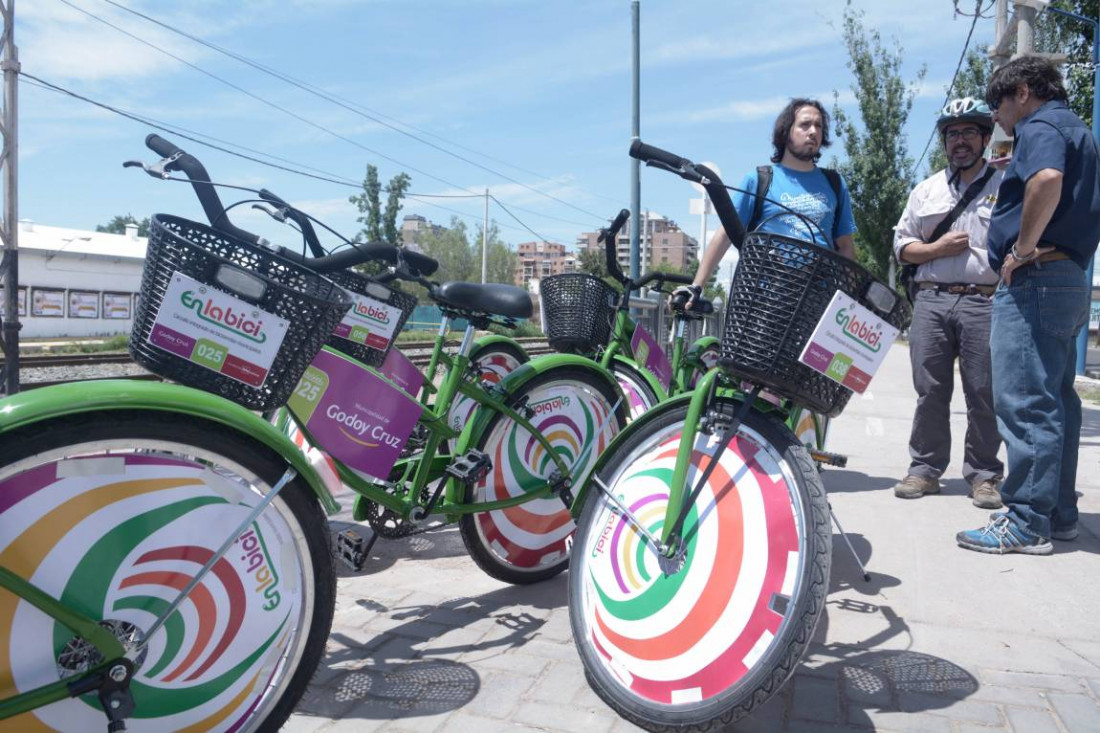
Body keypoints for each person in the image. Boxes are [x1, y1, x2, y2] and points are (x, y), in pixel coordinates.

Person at [956, 56, 1100, 555]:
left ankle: (1025, 520)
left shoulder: (1040, 124)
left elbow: (1045, 180)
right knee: (1058, 400)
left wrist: (1019, 250)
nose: (995, 115)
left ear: (1021, 91)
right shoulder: (1079, 128)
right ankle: (1058, 512)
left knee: (1025, 401)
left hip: (1036, 278)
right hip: (1068, 274)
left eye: (997, 104)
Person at [891, 98, 1004, 509]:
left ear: (985, 139)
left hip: (983, 302)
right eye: (952, 134)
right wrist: (936, 247)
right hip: (932, 301)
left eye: (969, 132)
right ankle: (924, 469)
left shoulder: (1005, 186)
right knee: (930, 391)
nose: (960, 141)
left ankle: (984, 475)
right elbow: (902, 249)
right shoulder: (926, 191)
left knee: (984, 392)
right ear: (944, 142)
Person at [676, 98, 857, 305]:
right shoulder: (760, 179)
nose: (813, 131)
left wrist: (847, 300)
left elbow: (845, 246)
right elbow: (725, 234)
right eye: (805, 124)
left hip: (817, 298)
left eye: (819, 126)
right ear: (786, 131)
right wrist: (697, 285)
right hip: (766, 299)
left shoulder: (834, 182)